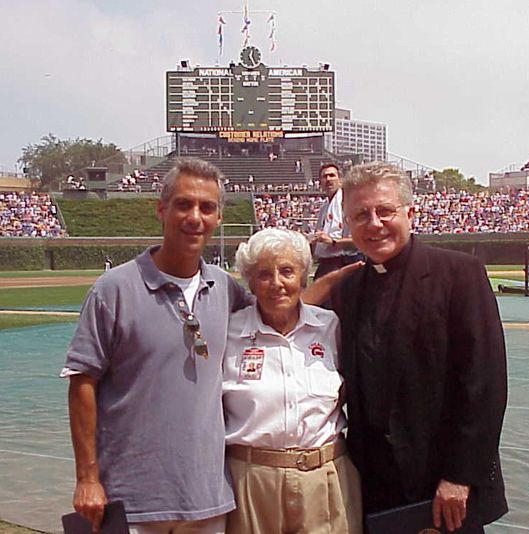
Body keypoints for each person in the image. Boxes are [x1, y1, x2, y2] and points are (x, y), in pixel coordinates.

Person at [61, 158, 252, 533]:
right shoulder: (113, 289)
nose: (194, 216)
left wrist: (337, 281)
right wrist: (87, 478)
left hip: (207, 499)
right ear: (161, 209)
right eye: (183, 204)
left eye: (207, 207)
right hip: (131, 501)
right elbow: (82, 383)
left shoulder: (226, 289)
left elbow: (281, 310)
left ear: (218, 218)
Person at [331, 162, 508, 532]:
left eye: (385, 211)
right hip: (373, 486)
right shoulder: (347, 291)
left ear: (410, 213)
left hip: (442, 486)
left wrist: (460, 477)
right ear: (348, 223)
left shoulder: (459, 274)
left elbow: (484, 383)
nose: (374, 224)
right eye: (361, 215)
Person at [223, 228, 362, 534]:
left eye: (287, 271)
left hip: (325, 478)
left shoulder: (330, 327)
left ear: (303, 276)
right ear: (250, 282)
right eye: (264, 274)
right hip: (250, 482)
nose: (277, 284)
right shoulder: (228, 333)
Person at [312, 163, 363, 279]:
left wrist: (333, 241)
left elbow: (359, 240)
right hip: (327, 263)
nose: (328, 179)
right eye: (324, 177)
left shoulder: (350, 203)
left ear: (340, 180)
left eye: (332, 175)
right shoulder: (323, 208)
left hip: (346, 261)